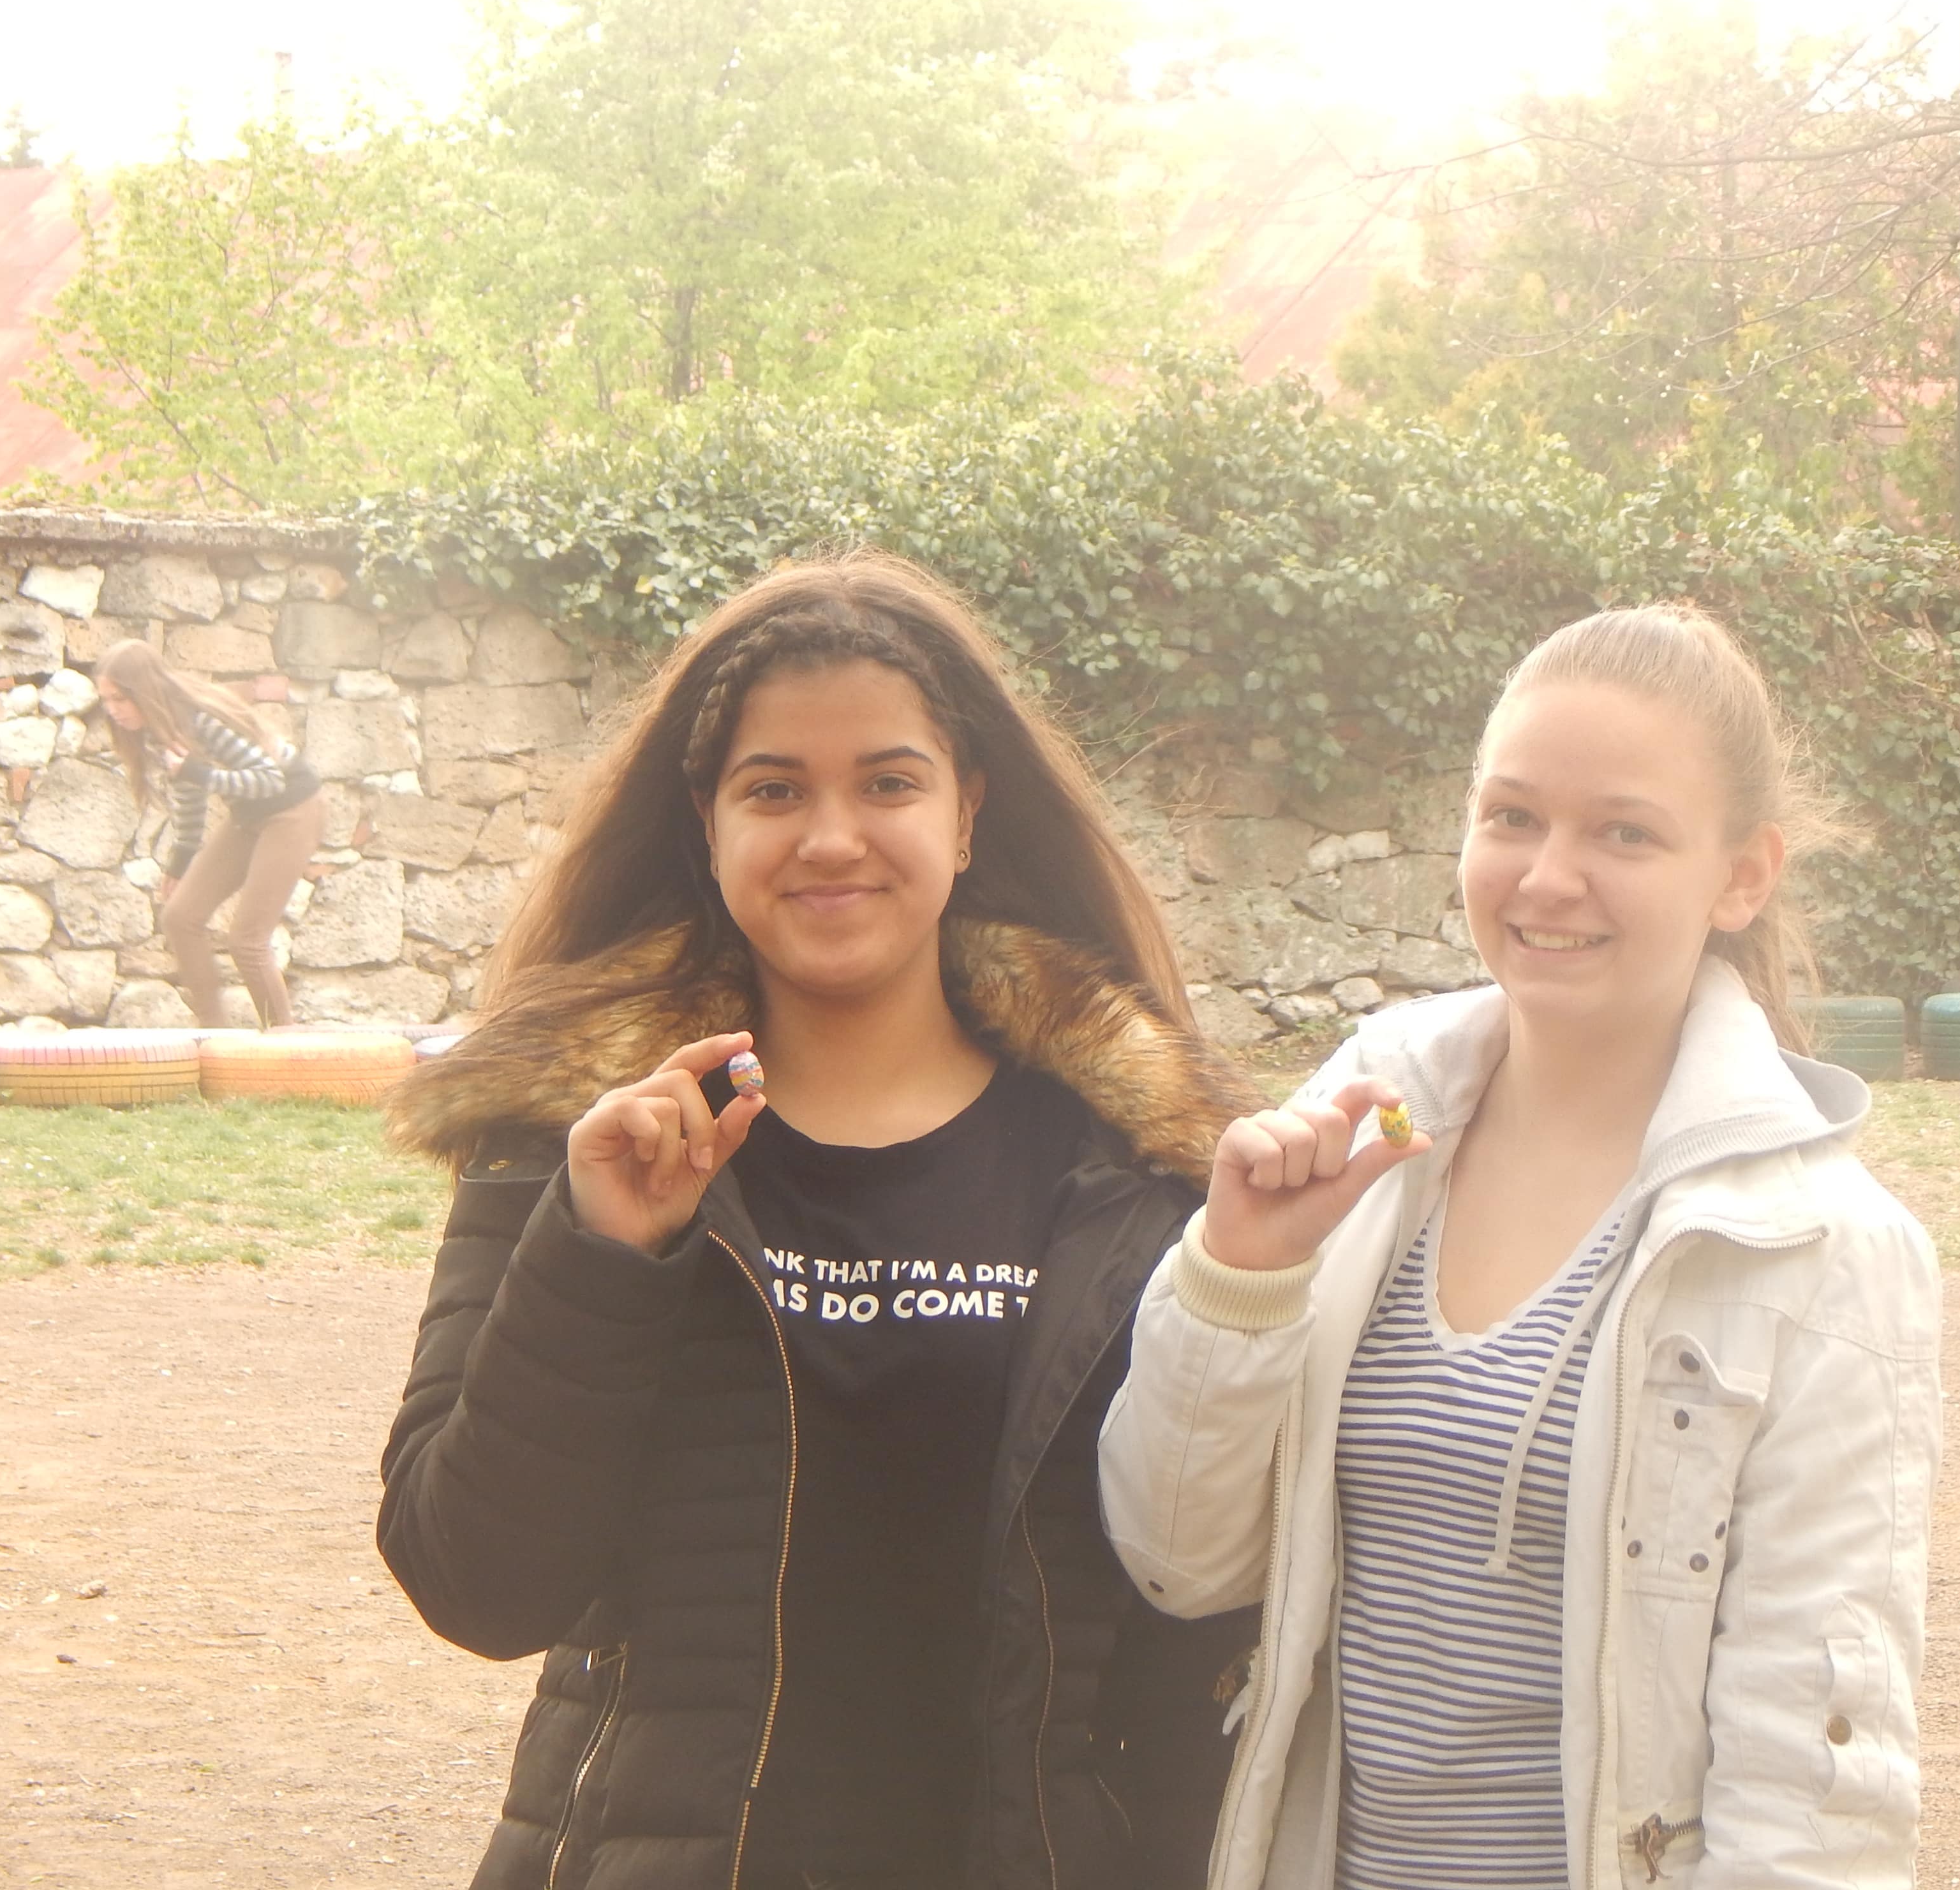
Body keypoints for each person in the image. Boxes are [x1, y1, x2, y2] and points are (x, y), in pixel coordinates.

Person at [378, 554, 1259, 1890]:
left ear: (966, 813)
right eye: (775, 789)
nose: (831, 837)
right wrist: (602, 1253)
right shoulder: (581, 1142)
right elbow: (476, 1586)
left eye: (889, 783)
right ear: (708, 822)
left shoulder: (1137, 1173)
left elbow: (1197, 1623)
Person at [1099, 604, 1943, 1890]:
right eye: (1511, 817)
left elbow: (1815, 1784)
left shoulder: (1823, 1250)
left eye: (1624, 832)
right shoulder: (1368, 1130)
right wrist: (1240, 1277)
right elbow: (1177, 1562)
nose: (1548, 877)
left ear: (1742, 875)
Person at [93, 637, 326, 1030]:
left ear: (144, 691)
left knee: (247, 940)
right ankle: (214, 1034)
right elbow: (189, 790)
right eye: (106, 700)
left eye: (120, 699)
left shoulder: (199, 718)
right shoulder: (160, 727)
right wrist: (181, 858)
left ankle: (285, 1039)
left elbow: (269, 780)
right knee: (180, 917)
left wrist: (196, 773)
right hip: (249, 814)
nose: (113, 710)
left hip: (293, 809)